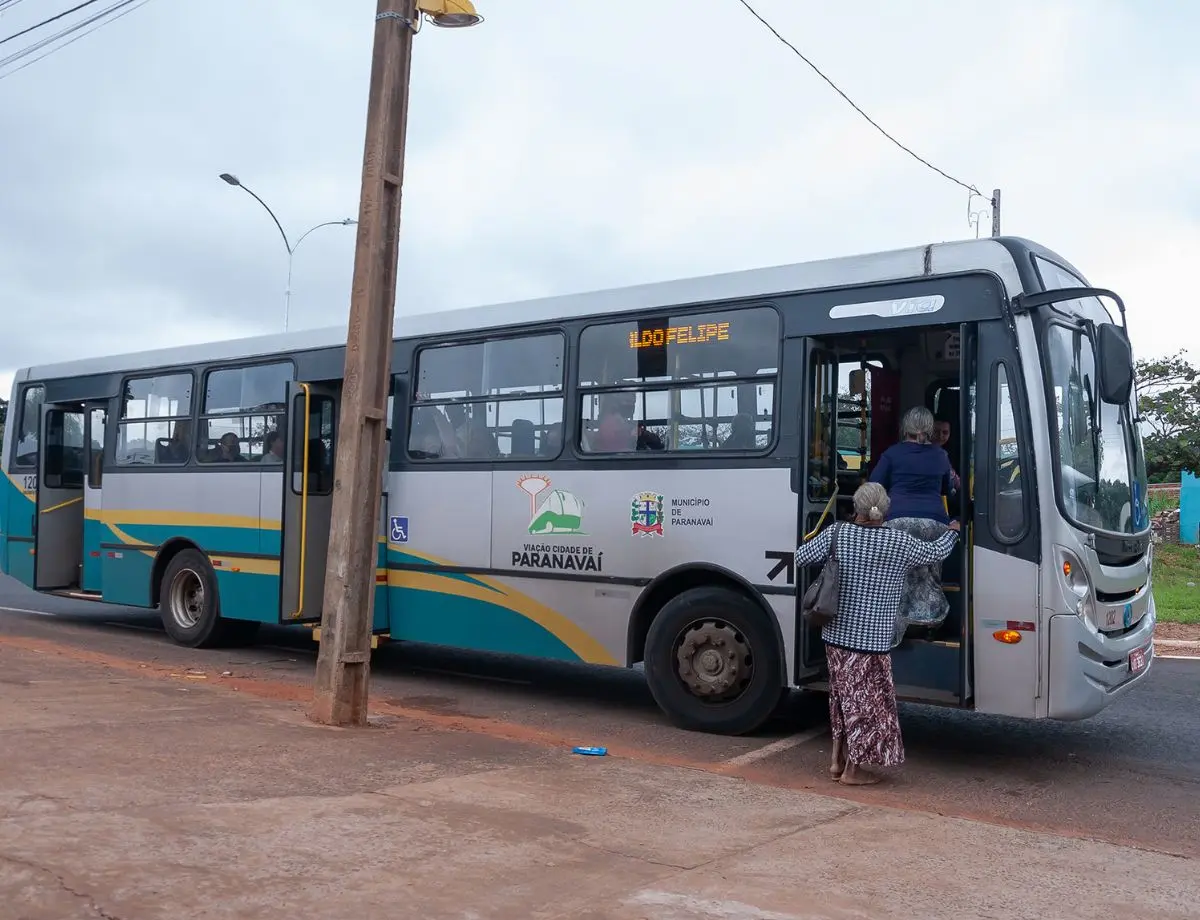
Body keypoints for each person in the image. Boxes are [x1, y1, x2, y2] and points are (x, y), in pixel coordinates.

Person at [795, 482, 959, 786]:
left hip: (835, 635)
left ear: (856, 508)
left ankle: (836, 761)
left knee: (842, 698)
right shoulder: (899, 542)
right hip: (872, 641)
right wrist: (953, 530)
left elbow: (801, 557)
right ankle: (853, 771)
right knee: (866, 704)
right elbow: (937, 551)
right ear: (885, 510)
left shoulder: (837, 534)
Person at [870, 406, 959, 631]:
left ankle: (896, 626)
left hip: (897, 521)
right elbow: (949, 490)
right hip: (934, 523)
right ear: (929, 429)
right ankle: (930, 623)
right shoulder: (941, 455)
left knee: (896, 576)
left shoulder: (892, 453)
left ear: (905, 427)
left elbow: (875, 486)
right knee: (929, 577)